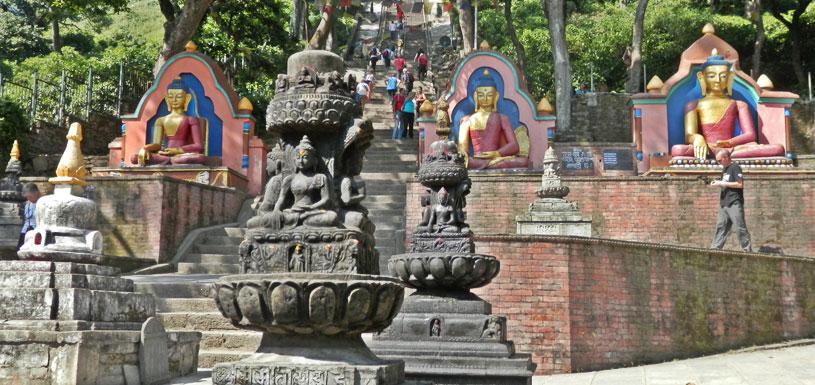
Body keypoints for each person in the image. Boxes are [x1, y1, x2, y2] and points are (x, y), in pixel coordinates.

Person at [710, 149, 752, 252]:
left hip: (734, 202)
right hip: (724, 202)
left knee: (739, 227)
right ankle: (715, 249)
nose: (718, 163)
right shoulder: (724, 170)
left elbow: (739, 184)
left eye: (719, 161)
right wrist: (717, 183)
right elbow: (725, 184)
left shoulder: (735, 167)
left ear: (726, 158)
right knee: (721, 227)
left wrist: (722, 183)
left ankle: (747, 250)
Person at [18, 183, 40, 250]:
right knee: (20, 249)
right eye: (27, 197)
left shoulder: (42, 203)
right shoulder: (26, 204)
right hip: (25, 230)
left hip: (37, 231)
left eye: (30, 196)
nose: (28, 198)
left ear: (36, 193)